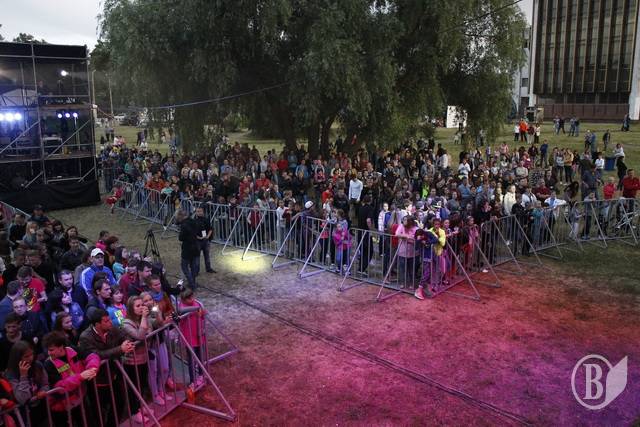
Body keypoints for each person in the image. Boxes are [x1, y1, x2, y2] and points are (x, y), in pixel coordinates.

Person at [78, 308, 135, 427]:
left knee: (119, 403)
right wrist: (120, 349)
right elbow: (96, 355)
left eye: (109, 319)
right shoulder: (85, 337)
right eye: (106, 321)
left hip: (113, 375)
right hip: (96, 380)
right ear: (97, 324)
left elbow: (125, 335)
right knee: (99, 412)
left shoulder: (112, 328)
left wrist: (127, 343)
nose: (110, 322)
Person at [42, 331, 99, 426]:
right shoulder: (49, 364)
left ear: (61, 347)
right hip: (61, 407)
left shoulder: (73, 350)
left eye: (51, 350)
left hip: (79, 399)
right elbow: (59, 387)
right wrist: (80, 377)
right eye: (48, 350)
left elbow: (92, 356)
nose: (49, 353)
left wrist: (92, 368)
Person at [121, 296, 152, 424]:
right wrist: (144, 318)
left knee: (142, 385)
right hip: (131, 362)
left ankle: (140, 407)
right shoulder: (126, 323)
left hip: (143, 357)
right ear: (130, 308)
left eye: (142, 305)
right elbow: (140, 335)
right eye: (137, 306)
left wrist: (145, 319)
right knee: (133, 388)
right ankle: (134, 412)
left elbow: (149, 331)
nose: (141, 308)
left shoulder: (141, 319)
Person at [5, 341, 49, 424]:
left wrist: (43, 390)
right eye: (26, 356)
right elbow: (23, 399)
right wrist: (23, 376)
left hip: (42, 406)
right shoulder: (11, 374)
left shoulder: (37, 365)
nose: (30, 358)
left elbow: (45, 383)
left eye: (32, 354)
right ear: (18, 358)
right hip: (24, 413)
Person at [178, 289, 206, 390]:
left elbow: (203, 314)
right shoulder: (181, 307)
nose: (192, 299)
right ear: (183, 299)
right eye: (189, 298)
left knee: (200, 356)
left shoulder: (196, 303)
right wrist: (196, 309)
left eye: (192, 297)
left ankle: (201, 375)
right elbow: (180, 315)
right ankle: (192, 381)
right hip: (189, 338)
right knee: (191, 359)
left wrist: (201, 314)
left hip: (198, 336)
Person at [177, 210, 200, 289]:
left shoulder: (184, 225)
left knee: (184, 267)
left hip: (187, 248)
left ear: (181, 216)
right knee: (193, 267)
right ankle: (193, 282)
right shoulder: (193, 221)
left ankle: (191, 284)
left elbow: (181, 238)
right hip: (195, 247)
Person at [194, 206, 216, 273]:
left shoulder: (206, 219)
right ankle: (196, 271)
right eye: (198, 211)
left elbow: (210, 229)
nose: (199, 213)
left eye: (200, 211)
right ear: (196, 212)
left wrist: (207, 237)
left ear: (203, 212)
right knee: (197, 257)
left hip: (205, 240)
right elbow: (192, 232)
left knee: (207, 255)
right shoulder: (193, 221)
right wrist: (198, 237)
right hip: (197, 241)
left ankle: (208, 268)